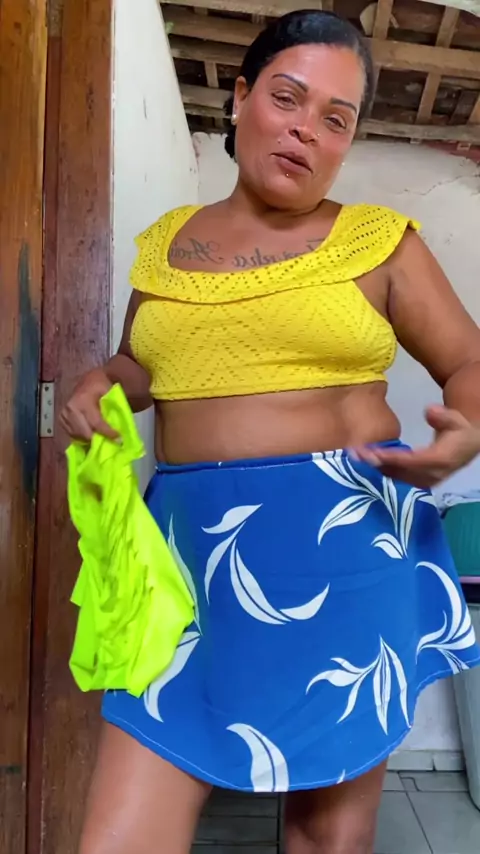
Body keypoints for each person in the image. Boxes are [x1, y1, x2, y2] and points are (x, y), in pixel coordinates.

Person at [62, 10, 480, 854]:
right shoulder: (166, 246)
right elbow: (148, 365)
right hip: (188, 565)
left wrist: (464, 430)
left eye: (337, 118)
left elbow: (469, 362)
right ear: (242, 96)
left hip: (345, 553)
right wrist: (101, 380)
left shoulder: (379, 244)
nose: (307, 129)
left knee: (324, 839)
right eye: (288, 98)